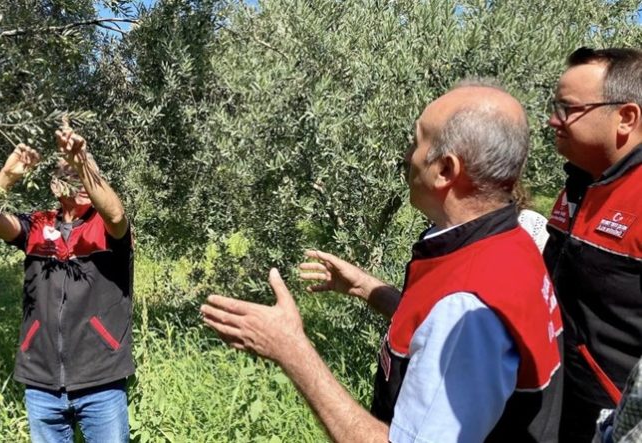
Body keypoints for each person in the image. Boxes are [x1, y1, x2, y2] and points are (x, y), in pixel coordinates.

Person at [201, 80, 563, 442]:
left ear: (445, 171)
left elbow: (457, 329)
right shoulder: (510, 243)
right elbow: (439, 335)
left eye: (417, 142)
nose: (407, 156)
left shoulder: (468, 302)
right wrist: (367, 288)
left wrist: (290, 348)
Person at [0, 128, 134, 443]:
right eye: (71, 173)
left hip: (101, 378)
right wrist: (7, 175)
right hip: (41, 382)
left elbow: (114, 212)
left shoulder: (107, 228)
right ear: (55, 185)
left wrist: (83, 161)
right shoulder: (37, 225)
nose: (83, 182)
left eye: (88, 174)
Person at [543, 46, 642, 443]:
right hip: (557, 407)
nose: (553, 119)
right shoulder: (580, 185)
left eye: (568, 108)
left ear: (626, 117)